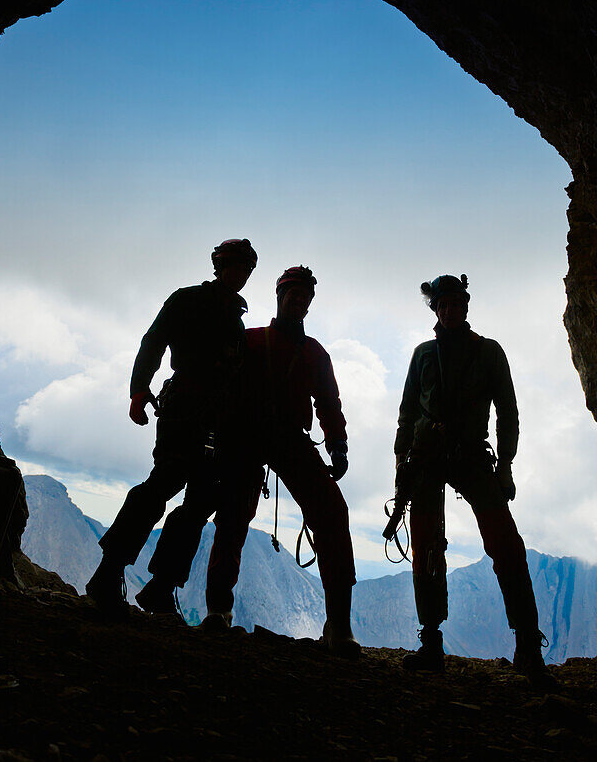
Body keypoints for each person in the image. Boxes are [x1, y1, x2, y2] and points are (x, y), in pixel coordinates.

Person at [85, 238, 258, 612]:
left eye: (246, 269)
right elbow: (154, 341)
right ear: (220, 265)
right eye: (237, 266)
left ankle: (161, 587)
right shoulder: (189, 300)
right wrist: (137, 390)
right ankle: (109, 572)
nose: (241, 274)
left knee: (198, 500)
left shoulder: (233, 316)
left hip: (213, 416)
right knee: (165, 483)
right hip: (185, 407)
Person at [393, 273, 548, 679]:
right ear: (437, 309)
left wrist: (506, 464)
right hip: (427, 456)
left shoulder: (489, 353)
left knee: (505, 544)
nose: (449, 310)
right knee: (427, 543)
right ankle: (431, 640)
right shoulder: (423, 354)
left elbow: (507, 412)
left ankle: (528, 644)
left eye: (455, 304)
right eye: (442, 305)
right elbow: (408, 410)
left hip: (469, 457)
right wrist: (400, 459)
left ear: (465, 306)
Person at [202, 265, 359, 656]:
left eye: (305, 297)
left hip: (275, 438)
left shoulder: (296, 350)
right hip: (252, 437)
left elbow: (328, 403)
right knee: (235, 516)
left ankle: (339, 625)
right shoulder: (257, 342)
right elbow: (224, 387)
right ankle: (219, 609)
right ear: (280, 296)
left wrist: (338, 444)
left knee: (331, 514)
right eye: (294, 295)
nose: (299, 302)